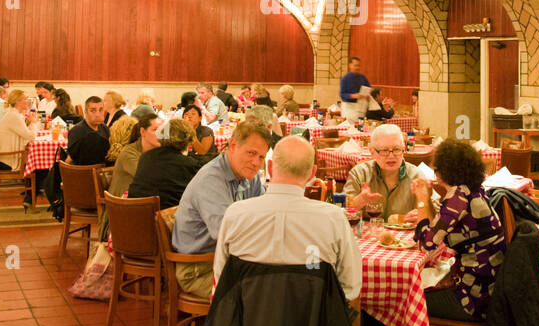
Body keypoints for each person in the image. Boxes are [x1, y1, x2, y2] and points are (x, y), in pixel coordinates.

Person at [365, 139, 506, 326]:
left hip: (472, 297)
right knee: (414, 298)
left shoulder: (459, 197)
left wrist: (420, 200)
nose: (434, 173)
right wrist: (425, 208)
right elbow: (438, 230)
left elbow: (428, 242)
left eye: (437, 168)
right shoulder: (472, 192)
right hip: (485, 288)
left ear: (447, 170)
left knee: (396, 306)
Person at [214, 136, 360, 300]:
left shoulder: (235, 214)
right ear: (313, 172)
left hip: (245, 321)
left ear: (269, 167)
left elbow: (221, 279)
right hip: (314, 323)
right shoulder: (334, 218)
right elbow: (351, 287)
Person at [171, 121, 269, 298]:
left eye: (261, 157)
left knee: (281, 281)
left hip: (228, 260)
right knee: (265, 291)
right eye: (251, 153)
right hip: (198, 269)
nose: (256, 162)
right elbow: (227, 235)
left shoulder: (248, 174)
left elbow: (264, 212)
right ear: (232, 145)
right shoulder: (211, 180)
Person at [344, 124, 436, 219]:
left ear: (404, 149)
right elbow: (341, 213)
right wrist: (359, 201)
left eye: (396, 149)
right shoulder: (359, 174)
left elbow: (436, 214)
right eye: (384, 150)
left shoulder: (416, 175)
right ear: (372, 152)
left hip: (405, 233)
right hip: (367, 233)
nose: (391, 156)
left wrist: (423, 210)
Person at [129, 118, 208, 211]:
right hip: (164, 220)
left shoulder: (145, 157)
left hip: (132, 215)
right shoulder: (187, 164)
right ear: (188, 140)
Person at [109, 114, 160, 198]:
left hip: (144, 199)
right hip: (121, 205)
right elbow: (148, 177)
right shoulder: (128, 152)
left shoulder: (158, 151)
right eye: (155, 130)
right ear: (142, 132)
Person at [0, 89, 36, 170]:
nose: (28, 101)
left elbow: (26, 135)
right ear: (18, 102)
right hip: (8, 161)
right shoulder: (14, 116)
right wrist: (33, 122)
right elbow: (31, 136)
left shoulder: (14, 114)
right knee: (39, 162)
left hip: (4, 157)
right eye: (25, 99)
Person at [67, 96, 111, 166]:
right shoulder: (76, 131)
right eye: (93, 110)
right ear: (85, 112)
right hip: (82, 172)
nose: (97, 114)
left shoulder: (105, 128)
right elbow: (71, 161)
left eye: (101, 110)